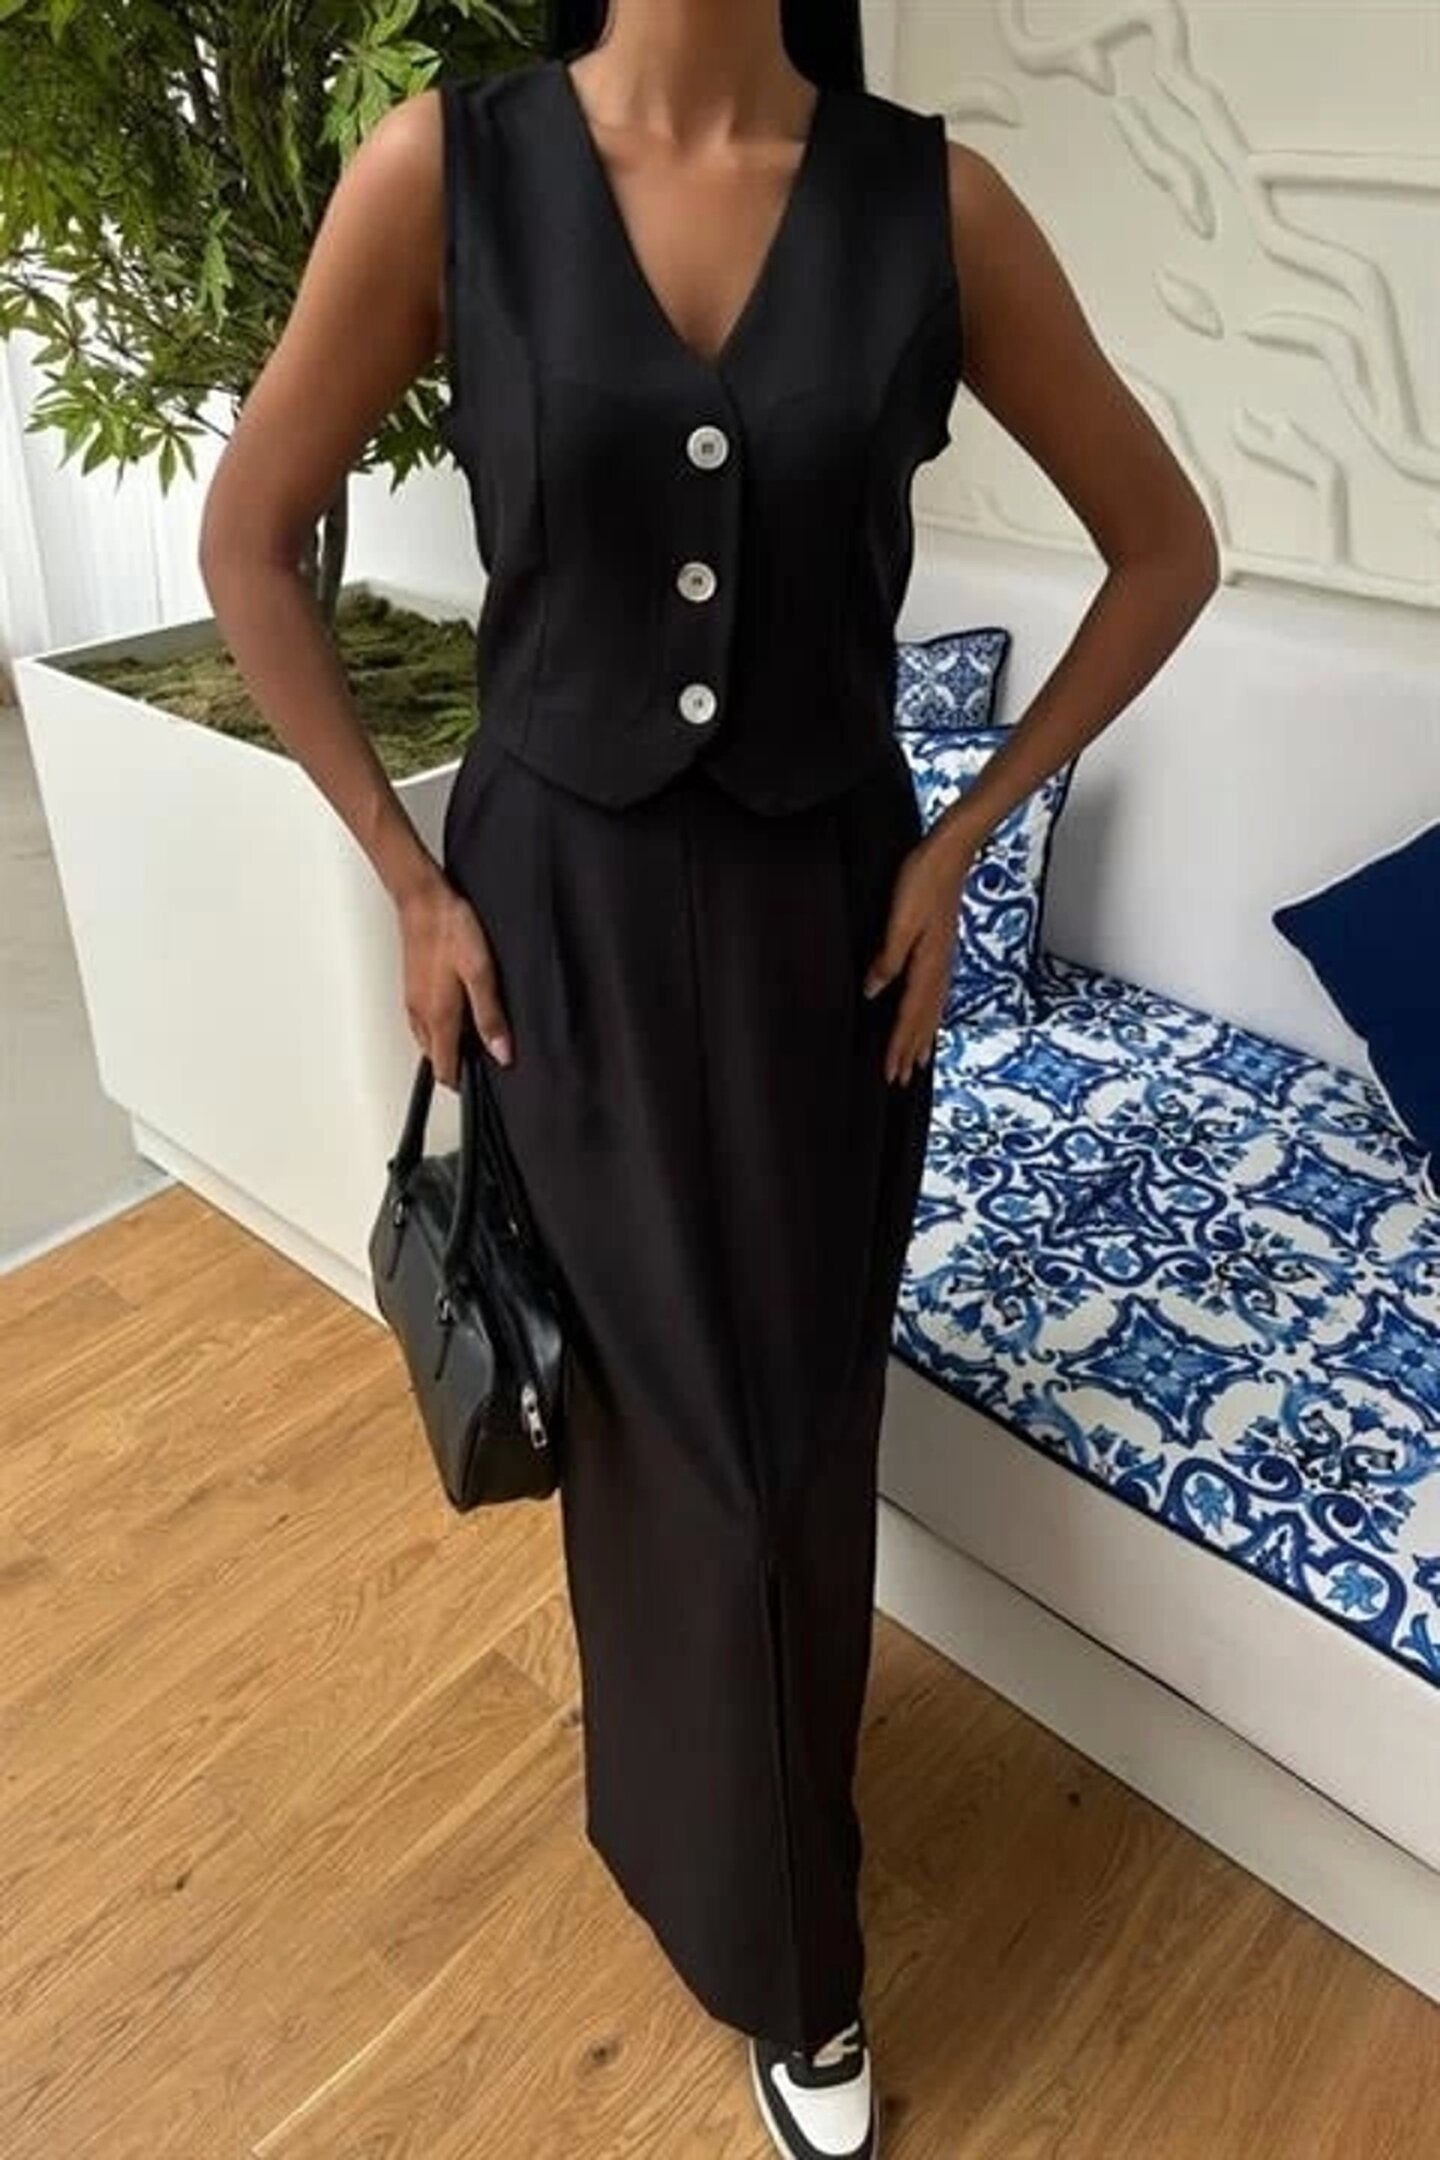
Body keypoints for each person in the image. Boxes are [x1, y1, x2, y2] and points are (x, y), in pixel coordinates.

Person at [198, 1, 1219, 2151]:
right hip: (554, 928)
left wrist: (967, 838)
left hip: (827, 936)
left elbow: (1165, 547)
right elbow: (249, 540)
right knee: (664, 1446)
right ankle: (779, 1940)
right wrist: (405, 875)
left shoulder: (934, 203)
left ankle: (769, 1908)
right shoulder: (445, 175)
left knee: (791, 1442)